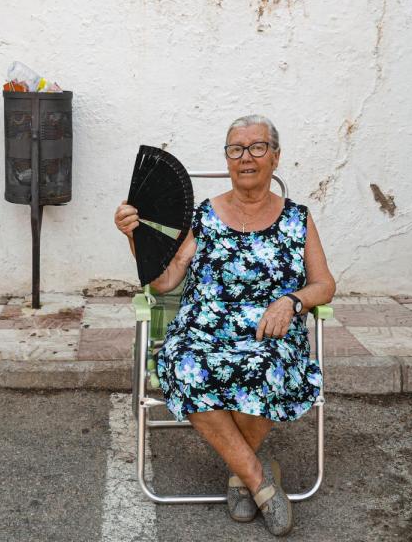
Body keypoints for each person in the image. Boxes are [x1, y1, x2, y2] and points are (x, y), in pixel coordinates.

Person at [114, 115, 335, 536]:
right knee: (185, 365)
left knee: (268, 367)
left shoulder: (297, 219)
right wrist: (133, 235)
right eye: (236, 149)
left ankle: (241, 476)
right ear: (228, 159)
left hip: (268, 330)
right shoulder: (204, 216)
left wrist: (292, 301)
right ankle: (256, 476)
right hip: (202, 330)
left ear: (275, 157)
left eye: (256, 147)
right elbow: (164, 281)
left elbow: (324, 284)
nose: (245, 157)